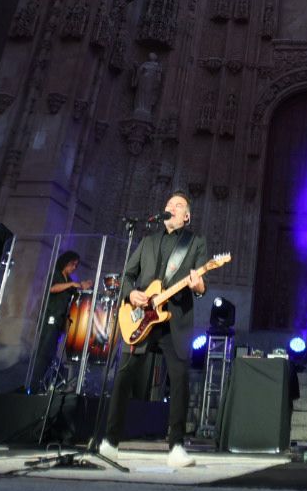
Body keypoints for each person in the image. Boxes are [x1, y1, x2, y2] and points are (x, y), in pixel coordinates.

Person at [97, 192, 208, 469]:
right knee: (124, 377)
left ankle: (177, 446)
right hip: (140, 318)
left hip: (174, 319)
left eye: (179, 205)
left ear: (187, 216)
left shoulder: (195, 243)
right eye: (169, 203)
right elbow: (127, 275)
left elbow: (201, 285)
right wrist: (130, 294)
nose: (172, 207)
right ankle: (110, 442)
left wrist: (198, 286)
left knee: (179, 380)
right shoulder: (146, 241)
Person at [32, 250, 93, 392]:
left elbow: (75, 293)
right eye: (73, 264)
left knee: (50, 352)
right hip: (50, 317)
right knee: (43, 352)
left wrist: (82, 285)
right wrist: (72, 284)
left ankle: (42, 383)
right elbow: (52, 288)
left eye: (76, 265)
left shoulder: (68, 280)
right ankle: (34, 384)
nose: (74, 267)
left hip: (60, 321)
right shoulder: (57, 274)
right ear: (66, 262)